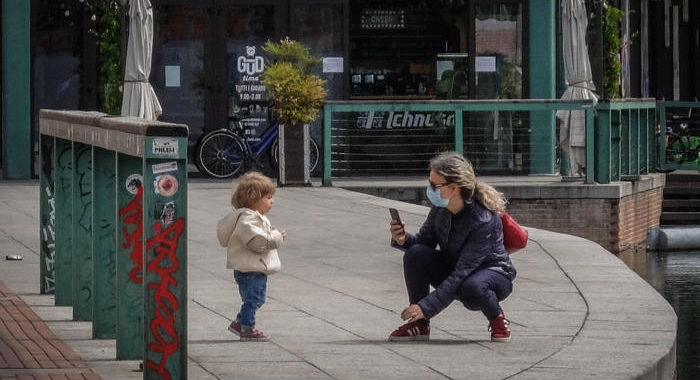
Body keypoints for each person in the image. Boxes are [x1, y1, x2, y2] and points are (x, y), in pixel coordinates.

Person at [388, 152, 516, 342]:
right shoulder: (441, 208)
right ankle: (419, 325)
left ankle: (497, 317)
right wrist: (403, 240)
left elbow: (464, 271)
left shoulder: (483, 219)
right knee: (415, 254)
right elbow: (425, 242)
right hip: (458, 267)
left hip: (493, 272)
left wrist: (426, 307)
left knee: (472, 288)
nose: (430, 190)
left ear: (453, 187)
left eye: (435, 185)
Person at [217, 171, 286, 341]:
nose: (272, 201)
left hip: (253, 266)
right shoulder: (248, 219)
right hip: (250, 268)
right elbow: (257, 242)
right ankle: (246, 326)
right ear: (254, 199)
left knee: (257, 298)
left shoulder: (253, 217)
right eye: (268, 197)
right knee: (254, 298)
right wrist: (276, 236)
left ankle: (241, 322)